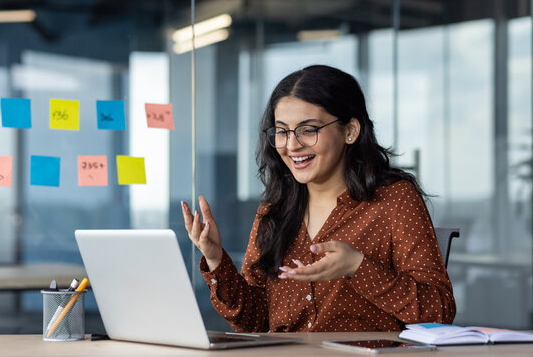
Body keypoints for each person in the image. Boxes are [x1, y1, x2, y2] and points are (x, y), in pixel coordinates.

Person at [181, 65, 456, 333]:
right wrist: (216, 259)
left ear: (350, 131)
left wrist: (357, 267)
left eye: (308, 130)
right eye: (282, 131)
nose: (291, 145)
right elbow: (255, 321)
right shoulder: (274, 211)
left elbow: (439, 311)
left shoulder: (394, 199)